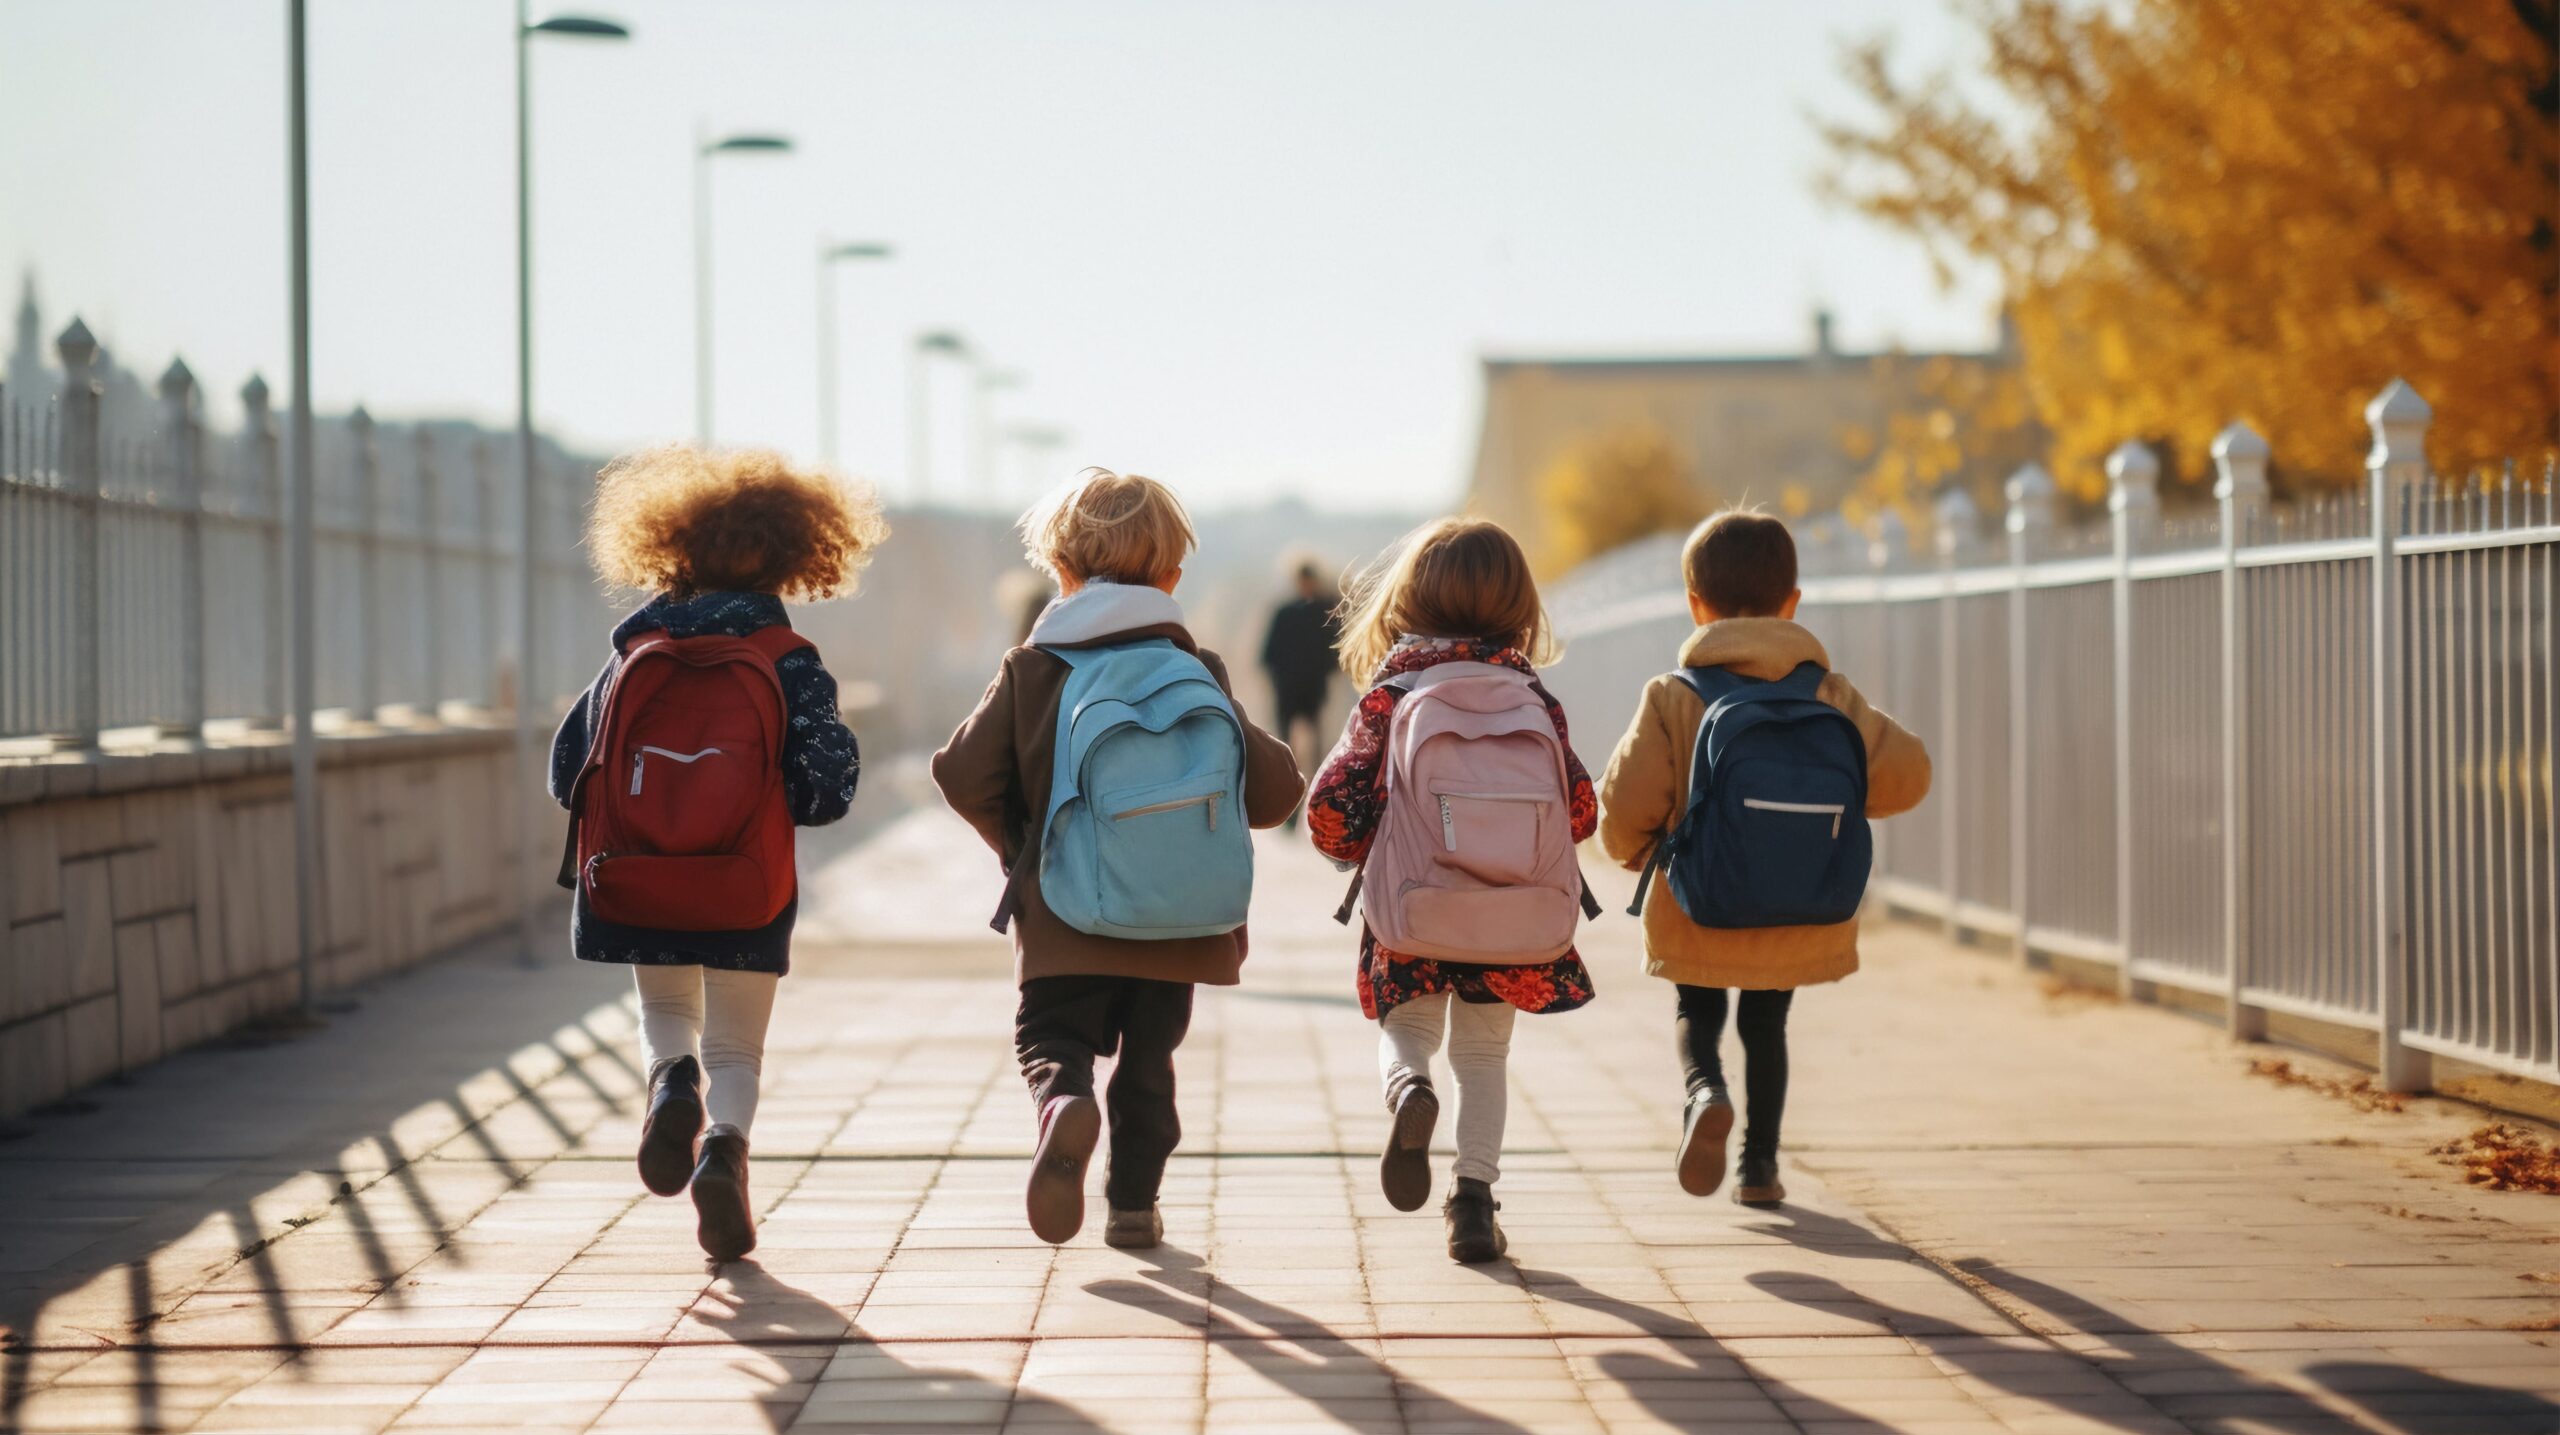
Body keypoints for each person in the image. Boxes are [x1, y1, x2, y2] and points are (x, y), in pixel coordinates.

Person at [932, 469, 1303, 1249]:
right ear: (1172, 576)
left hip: (1064, 918)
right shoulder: (1198, 670)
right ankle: (1134, 1206)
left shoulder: (1033, 669)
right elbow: (1277, 794)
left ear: (1061, 570)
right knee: (1149, 1064)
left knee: (1051, 1036)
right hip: (1179, 923)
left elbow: (961, 775)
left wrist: (1024, 849)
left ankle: (1063, 1100)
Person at [549, 446, 884, 1260]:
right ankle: (724, 1151)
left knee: (666, 1014)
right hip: (745, 884)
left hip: (637, 880)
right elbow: (826, 789)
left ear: (668, 546)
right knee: (736, 1048)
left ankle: (671, 1084)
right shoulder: (787, 658)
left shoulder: (631, 654)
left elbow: (567, 775)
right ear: (795, 552)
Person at [1597, 510, 1930, 1207]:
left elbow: (1627, 804)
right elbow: (1910, 775)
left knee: (1696, 1010)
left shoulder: (1673, 696)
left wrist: (1630, 853)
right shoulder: (1830, 695)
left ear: (1696, 604)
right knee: (1767, 1025)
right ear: (1792, 602)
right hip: (1799, 900)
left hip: (1697, 901)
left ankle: (1704, 1090)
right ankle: (1759, 1167)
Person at [1306, 517, 1598, 1264]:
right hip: (1512, 915)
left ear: (1409, 597)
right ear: (1518, 604)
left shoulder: (1394, 693)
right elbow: (1580, 811)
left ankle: (1409, 1088)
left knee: (1407, 1030)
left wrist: (1354, 848)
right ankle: (1472, 1203)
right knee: (1484, 1056)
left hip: (1415, 904)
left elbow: (1330, 808)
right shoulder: (1534, 698)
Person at [1261, 560, 1341, 818]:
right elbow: (1269, 654)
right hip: (1293, 689)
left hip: (1306, 688)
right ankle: (1294, 805)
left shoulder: (1319, 611)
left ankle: (1312, 801)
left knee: (1311, 747)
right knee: (1289, 749)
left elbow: (1267, 655)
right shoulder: (1299, 612)